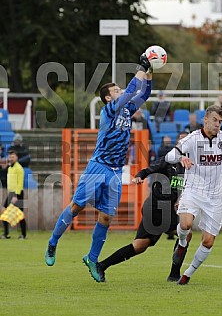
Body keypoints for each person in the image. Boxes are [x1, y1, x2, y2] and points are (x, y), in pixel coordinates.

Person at [44, 53, 153, 283]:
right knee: (76, 206)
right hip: (98, 166)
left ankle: (92, 259)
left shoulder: (127, 110)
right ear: (107, 98)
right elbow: (134, 87)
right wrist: (140, 67)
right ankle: (53, 242)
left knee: (106, 218)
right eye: (115, 90)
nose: (120, 90)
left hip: (115, 171)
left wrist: (150, 70)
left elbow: (144, 92)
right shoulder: (109, 110)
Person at [97, 132, 191, 283]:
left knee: (140, 245)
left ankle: (102, 265)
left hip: (166, 209)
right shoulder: (169, 161)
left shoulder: (193, 167)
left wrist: (181, 199)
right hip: (156, 206)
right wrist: (140, 176)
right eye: (182, 143)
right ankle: (174, 274)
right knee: (186, 233)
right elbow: (148, 170)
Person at [165, 105, 222, 285]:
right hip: (193, 190)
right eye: (215, 120)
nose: (218, 124)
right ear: (205, 120)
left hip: (215, 196)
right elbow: (169, 156)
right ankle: (182, 242)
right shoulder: (192, 139)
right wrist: (181, 157)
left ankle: (187, 274)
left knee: (208, 241)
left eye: (221, 122)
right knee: (185, 224)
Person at [0, 150, 26, 239]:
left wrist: (16, 196)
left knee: (20, 214)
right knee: (4, 211)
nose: (11, 158)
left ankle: (23, 234)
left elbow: (20, 183)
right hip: (11, 193)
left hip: (17, 194)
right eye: (10, 157)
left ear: (16, 157)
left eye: (13, 156)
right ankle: (6, 234)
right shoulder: (10, 167)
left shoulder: (19, 168)